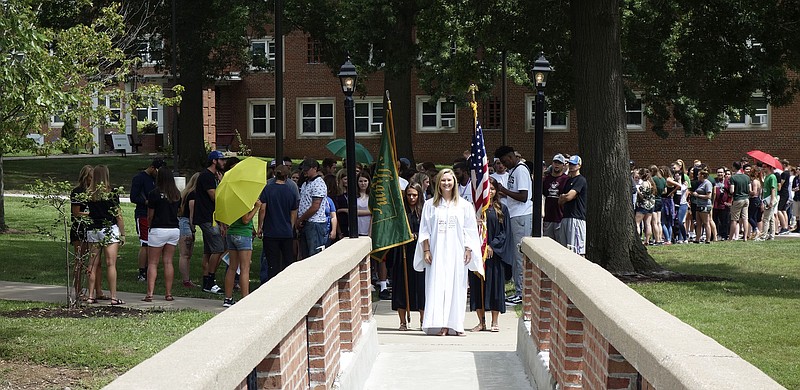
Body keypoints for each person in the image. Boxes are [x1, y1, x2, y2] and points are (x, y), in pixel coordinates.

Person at [413, 169, 482, 336]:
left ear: (454, 183)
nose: (446, 183)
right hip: (436, 252)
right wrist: (427, 250)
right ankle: (441, 324)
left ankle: (456, 324)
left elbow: (469, 230)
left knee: (456, 287)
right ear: (438, 183)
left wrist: (468, 249)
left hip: (457, 252)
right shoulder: (430, 205)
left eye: (449, 180)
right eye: (443, 180)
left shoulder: (464, 206)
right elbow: (425, 230)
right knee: (437, 286)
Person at [468, 180, 509, 333]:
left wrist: (492, 245)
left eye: (492, 189)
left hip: (494, 255)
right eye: (487, 189)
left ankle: (495, 321)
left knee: (494, 287)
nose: (489, 191)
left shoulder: (501, 209)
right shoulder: (475, 210)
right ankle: (481, 322)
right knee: (478, 287)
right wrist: (474, 223)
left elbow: (505, 232)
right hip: (477, 253)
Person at [494, 145, 532, 306]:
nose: (503, 164)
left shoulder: (521, 170)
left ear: (510, 157)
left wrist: (503, 189)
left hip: (522, 216)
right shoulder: (514, 171)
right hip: (515, 215)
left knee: (520, 256)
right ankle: (519, 290)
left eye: (504, 161)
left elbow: (523, 196)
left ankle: (522, 293)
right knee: (517, 256)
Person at [85, 165, 125, 305]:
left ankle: (90, 295)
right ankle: (113, 297)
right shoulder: (112, 193)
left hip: (93, 229)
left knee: (92, 264)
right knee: (111, 264)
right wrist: (123, 233)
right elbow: (118, 215)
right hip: (109, 229)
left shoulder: (89, 193)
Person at [143, 167, 181, 302]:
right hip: (174, 229)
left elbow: (150, 215)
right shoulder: (176, 194)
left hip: (158, 229)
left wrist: (149, 226)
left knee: (153, 263)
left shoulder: (153, 193)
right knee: (168, 261)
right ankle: (168, 293)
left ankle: (150, 294)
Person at [391, 184, 425, 331]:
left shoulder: (424, 211)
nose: (411, 198)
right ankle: (402, 321)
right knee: (401, 287)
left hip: (419, 252)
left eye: (414, 195)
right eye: (409, 195)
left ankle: (423, 321)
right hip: (402, 253)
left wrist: (417, 236)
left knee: (421, 287)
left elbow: (428, 230)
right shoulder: (401, 212)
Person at [258, 165, 299, 284]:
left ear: (275, 175)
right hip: (286, 232)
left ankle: (272, 284)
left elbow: (263, 209)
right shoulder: (290, 192)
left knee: (272, 263)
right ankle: (287, 283)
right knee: (288, 261)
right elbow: (293, 212)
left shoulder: (268, 189)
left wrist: (260, 227)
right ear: (287, 177)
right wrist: (290, 227)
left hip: (271, 231)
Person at [71, 165, 106, 300]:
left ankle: (99, 291)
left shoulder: (96, 192)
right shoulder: (78, 192)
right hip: (79, 229)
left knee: (97, 261)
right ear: (86, 177)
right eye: (92, 177)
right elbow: (76, 213)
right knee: (80, 260)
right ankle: (79, 291)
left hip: (93, 228)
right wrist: (91, 214)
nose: (94, 180)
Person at [196, 151, 226, 294]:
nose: (224, 162)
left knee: (208, 251)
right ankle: (211, 282)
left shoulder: (211, 176)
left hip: (211, 218)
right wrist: (222, 184)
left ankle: (206, 282)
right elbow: (214, 197)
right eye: (222, 160)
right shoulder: (207, 176)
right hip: (207, 218)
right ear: (214, 161)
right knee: (218, 249)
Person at [222, 196, 260, 307]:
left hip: (232, 232)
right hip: (243, 234)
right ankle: (245, 299)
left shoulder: (230, 200)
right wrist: (256, 207)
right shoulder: (242, 200)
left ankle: (228, 298)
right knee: (245, 268)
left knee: (232, 267)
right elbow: (245, 219)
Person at [130, 158, 165, 282]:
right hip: (143, 213)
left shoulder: (157, 180)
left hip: (156, 214)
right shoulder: (139, 178)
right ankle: (142, 271)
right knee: (145, 243)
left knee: (154, 243)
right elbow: (133, 197)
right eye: (157, 171)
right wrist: (147, 202)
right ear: (152, 168)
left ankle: (151, 268)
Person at [295, 158, 328, 259]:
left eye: (307, 169)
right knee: (304, 256)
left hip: (315, 223)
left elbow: (315, 207)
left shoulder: (318, 183)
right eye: (303, 169)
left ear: (315, 168)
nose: (304, 171)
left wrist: (301, 219)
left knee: (314, 255)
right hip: (306, 223)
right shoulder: (306, 183)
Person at [558, 155, 587, 255]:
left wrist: (565, 197)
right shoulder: (568, 181)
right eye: (570, 164)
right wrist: (564, 197)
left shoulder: (580, 180)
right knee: (564, 249)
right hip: (565, 217)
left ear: (579, 165)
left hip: (576, 218)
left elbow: (568, 196)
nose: (571, 166)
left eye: (573, 164)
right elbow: (560, 200)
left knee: (575, 251)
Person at [177, 172, 200, 287]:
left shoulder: (187, 193)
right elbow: (192, 214)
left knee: (187, 255)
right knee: (185, 254)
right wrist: (193, 228)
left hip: (183, 222)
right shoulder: (193, 195)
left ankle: (187, 279)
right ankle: (186, 280)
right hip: (186, 224)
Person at [543, 154, 569, 243]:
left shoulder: (566, 180)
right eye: (555, 162)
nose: (557, 165)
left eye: (559, 163)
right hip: (548, 218)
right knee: (547, 245)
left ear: (563, 165)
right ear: (552, 164)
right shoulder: (546, 179)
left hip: (561, 218)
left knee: (561, 245)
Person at [690, 169, 713, 244]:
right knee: (698, 223)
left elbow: (709, 196)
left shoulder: (707, 183)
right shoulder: (701, 183)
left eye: (699, 175)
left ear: (702, 175)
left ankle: (708, 239)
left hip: (705, 205)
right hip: (699, 204)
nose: (697, 176)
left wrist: (698, 195)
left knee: (706, 223)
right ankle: (697, 239)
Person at [756, 163, 779, 241]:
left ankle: (763, 236)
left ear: (769, 167)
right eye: (762, 167)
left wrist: (772, 201)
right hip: (766, 199)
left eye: (765, 167)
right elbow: (763, 186)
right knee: (771, 218)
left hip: (770, 199)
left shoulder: (772, 177)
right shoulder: (766, 177)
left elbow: (773, 189)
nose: (763, 168)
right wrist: (760, 177)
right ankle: (771, 236)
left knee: (765, 219)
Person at [635, 168, 656, 245]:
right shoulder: (651, 183)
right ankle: (647, 240)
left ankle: (637, 240)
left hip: (643, 205)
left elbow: (642, 195)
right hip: (651, 205)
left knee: (637, 223)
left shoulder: (644, 183)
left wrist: (637, 191)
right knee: (648, 223)